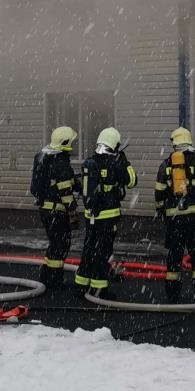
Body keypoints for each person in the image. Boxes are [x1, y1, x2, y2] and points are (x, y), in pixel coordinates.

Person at [154, 127, 195, 303]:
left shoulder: (166, 165)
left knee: (174, 257)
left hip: (174, 221)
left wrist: (162, 211)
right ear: (189, 141)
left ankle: (173, 294)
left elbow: (159, 192)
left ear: (174, 143)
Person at [76, 127, 137, 299]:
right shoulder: (116, 162)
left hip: (91, 215)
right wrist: (124, 161)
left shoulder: (91, 160)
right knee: (102, 252)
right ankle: (100, 290)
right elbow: (132, 181)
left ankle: (81, 286)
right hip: (108, 215)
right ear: (114, 144)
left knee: (89, 249)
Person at [31, 125, 79, 288]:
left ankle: (47, 277)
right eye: (71, 141)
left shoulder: (45, 157)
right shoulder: (60, 161)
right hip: (57, 211)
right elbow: (65, 189)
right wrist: (72, 209)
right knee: (60, 245)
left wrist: (75, 181)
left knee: (55, 244)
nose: (73, 144)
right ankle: (54, 281)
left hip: (46, 209)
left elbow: (58, 181)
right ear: (65, 142)